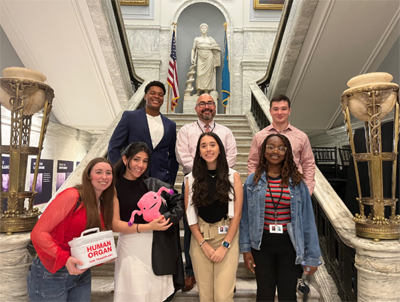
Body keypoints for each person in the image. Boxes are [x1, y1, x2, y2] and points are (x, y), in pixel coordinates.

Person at [240, 134, 321, 302]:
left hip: (289, 245)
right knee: (264, 293)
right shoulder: (252, 181)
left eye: (280, 148)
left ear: (287, 152)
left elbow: (307, 220)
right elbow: (245, 218)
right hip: (261, 245)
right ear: (263, 151)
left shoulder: (298, 183)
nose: (275, 151)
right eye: (270, 147)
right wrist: (246, 248)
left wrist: (312, 256)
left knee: (287, 295)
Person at [27, 157, 115, 302]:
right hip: (54, 271)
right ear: (88, 175)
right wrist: (65, 258)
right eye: (99, 172)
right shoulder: (72, 195)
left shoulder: (103, 202)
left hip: (82, 272)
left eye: (108, 173)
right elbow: (38, 233)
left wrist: (102, 255)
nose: (104, 177)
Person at [176, 93, 237, 291]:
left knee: (224, 224)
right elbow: (182, 155)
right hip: (194, 183)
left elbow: (231, 156)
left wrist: (218, 173)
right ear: (196, 108)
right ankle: (191, 272)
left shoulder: (226, 132)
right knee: (191, 226)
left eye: (210, 103)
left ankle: (225, 276)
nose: (206, 107)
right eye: (202, 104)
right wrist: (201, 173)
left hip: (221, 183)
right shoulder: (186, 131)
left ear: (215, 106)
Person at [112, 142, 184, 302]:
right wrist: (148, 226)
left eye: (145, 161)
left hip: (157, 249)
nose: (141, 165)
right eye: (136, 159)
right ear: (125, 159)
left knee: (156, 295)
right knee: (134, 293)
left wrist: (169, 218)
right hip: (130, 248)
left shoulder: (152, 184)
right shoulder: (114, 185)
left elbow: (178, 198)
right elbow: (114, 224)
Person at [185, 132, 243, 302]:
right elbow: (190, 215)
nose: (208, 149)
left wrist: (225, 245)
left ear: (220, 149)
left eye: (212, 144)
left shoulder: (233, 177)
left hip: (226, 238)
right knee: (206, 296)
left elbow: (237, 215)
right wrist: (202, 244)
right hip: (201, 238)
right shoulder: (191, 179)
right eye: (203, 146)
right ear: (199, 151)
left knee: (222, 297)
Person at [108, 81, 179, 184]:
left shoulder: (170, 125)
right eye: (152, 93)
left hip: (159, 181)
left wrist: (170, 180)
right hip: (132, 177)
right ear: (145, 96)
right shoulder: (130, 117)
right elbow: (114, 146)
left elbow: (173, 156)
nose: (156, 96)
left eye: (160, 95)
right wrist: (121, 172)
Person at [247, 94, 316, 194]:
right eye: (276, 109)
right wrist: (254, 185)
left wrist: (307, 189)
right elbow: (253, 162)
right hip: (266, 188)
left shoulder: (301, 136)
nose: (279, 112)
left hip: (294, 188)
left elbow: (308, 163)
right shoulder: (259, 136)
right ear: (270, 111)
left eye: (283, 109)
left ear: (289, 111)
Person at [191, 23, 221, 95]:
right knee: (199, 74)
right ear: (200, 30)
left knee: (208, 75)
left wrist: (211, 48)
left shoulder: (210, 39)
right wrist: (192, 57)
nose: (204, 30)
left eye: (205, 28)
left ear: (207, 30)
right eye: (202, 28)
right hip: (200, 57)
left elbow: (217, 47)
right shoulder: (197, 39)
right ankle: (198, 91)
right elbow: (193, 49)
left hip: (209, 57)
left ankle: (206, 92)